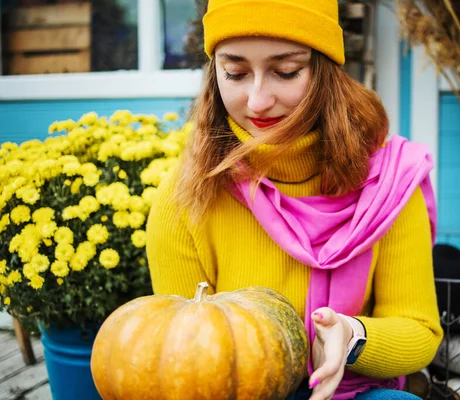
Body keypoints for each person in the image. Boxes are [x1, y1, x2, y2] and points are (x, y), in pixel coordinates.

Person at [146, 0, 443, 399]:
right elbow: (180, 354)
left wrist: (352, 335)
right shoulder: (186, 197)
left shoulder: (390, 181)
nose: (258, 100)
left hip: (350, 391)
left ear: (324, 71)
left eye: (285, 72)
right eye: (234, 72)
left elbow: (418, 331)